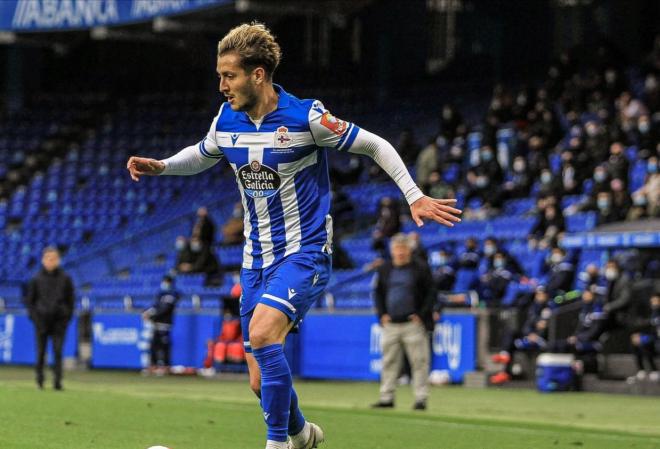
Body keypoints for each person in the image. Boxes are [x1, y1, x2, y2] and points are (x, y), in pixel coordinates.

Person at [126, 22, 461, 449]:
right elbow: (204, 152)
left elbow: (374, 144)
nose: (222, 86)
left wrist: (413, 195)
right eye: (219, 76)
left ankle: (277, 444)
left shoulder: (306, 118)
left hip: (304, 252)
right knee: (257, 381)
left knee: (265, 335)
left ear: (258, 75)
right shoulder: (227, 119)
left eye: (228, 76)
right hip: (255, 260)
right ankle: (301, 433)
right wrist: (164, 165)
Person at [371, 234, 435, 410]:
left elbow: (431, 293)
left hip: (412, 323)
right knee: (389, 362)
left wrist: (421, 315)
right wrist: (382, 314)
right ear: (392, 251)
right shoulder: (385, 269)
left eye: (403, 249)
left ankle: (421, 398)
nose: (400, 252)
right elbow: (378, 293)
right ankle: (386, 397)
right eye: (397, 249)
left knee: (419, 362)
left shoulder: (420, 268)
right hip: (391, 323)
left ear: (409, 250)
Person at [24, 247, 74, 390]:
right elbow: (30, 301)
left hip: (59, 322)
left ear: (58, 260)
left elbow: (71, 300)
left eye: (54, 258)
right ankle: (39, 380)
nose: (51, 261)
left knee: (58, 352)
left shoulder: (66, 279)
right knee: (40, 352)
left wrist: (66, 317)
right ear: (43, 260)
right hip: (41, 322)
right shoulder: (36, 279)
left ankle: (57, 382)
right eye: (48, 258)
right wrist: (35, 318)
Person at [142, 275, 180, 374]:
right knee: (154, 345)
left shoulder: (171, 295)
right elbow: (155, 307)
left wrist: (152, 316)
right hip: (156, 324)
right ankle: (153, 365)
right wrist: (147, 313)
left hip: (165, 324)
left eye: (166, 282)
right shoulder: (161, 295)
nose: (164, 284)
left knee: (164, 345)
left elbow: (164, 310)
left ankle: (165, 366)